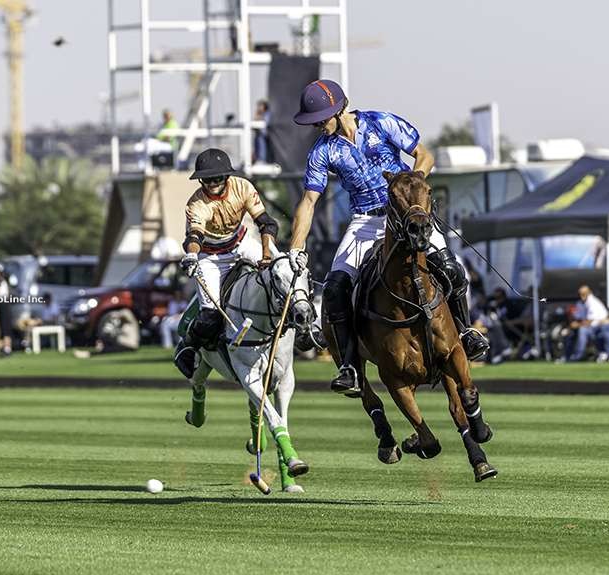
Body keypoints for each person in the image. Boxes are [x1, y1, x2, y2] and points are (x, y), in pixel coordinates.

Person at [288, 79, 488, 395]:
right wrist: (296, 247)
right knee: (336, 289)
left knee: (451, 269)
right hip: (365, 223)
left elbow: (424, 156)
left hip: (407, 216)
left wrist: (410, 190)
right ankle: (350, 366)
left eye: (321, 119)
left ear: (340, 110)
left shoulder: (381, 122)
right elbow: (309, 200)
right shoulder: (323, 151)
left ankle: (466, 333)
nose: (318, 126)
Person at [173, 148, 279, 378]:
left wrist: (267, 257)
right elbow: (194, 237)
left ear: (227, 176)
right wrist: (192, 256)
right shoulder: (196, 204)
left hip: (241, 243)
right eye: (207, 178)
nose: (212, 183)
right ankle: (187, 345)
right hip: (210, 256)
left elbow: (266, 224)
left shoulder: (243, 187)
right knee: (210, 315)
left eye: (217, 178)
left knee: (282, 274)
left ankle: (305, 327)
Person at [558, 285, 608, 363]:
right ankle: (567, 356)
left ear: (589, 293)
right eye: (580, 293)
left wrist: (576, 325)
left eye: (584, 293)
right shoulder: (580, 303)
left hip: (599, 327)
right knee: (569, 333)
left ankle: (578, 356)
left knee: (582, 330)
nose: (582, 295)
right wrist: (571, 326)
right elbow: (577, 317)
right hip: (589, 326)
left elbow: (590, 321)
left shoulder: (592, 302)